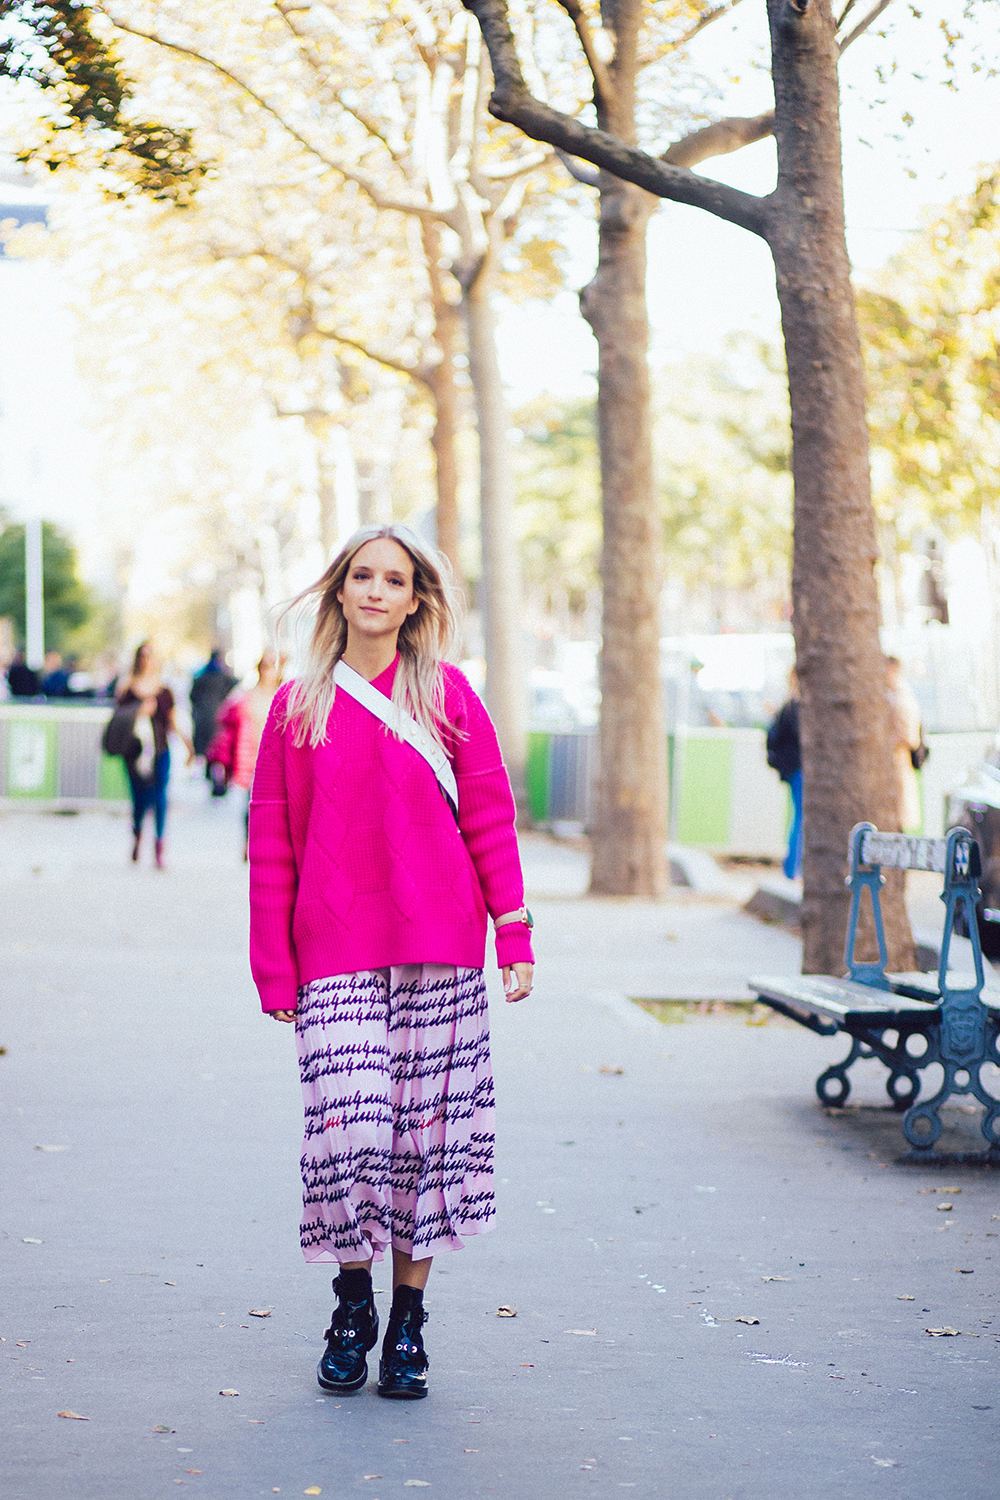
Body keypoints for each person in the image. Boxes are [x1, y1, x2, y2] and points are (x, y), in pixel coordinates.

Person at [249, 522, 534, 1403]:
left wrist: (514, 933)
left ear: (416, 601)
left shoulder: (449, 697)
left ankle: (407, 1325)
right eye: (362, 576)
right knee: (350, 1133)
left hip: (439, 948)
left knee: (421, 1145)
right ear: (339, 591)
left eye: (395, 579)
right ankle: (351, 1304)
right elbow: (272, 845)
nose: (376, 590)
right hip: (332, 953)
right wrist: (273, 969)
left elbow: (487, 815)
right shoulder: (299, 707)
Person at [116, 641, 194, 868]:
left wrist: (188, 746)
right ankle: (137, 834)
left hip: (160, 749)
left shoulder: (164, 690)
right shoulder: (128, 688)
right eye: (144, 655)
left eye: (152, 655)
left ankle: (159, 846)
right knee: (139, 799)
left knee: (160, 797)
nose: (148, 660)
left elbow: (172, 719)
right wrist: (138, 711)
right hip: (135, 751)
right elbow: (118, 719)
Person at [205, 650, 283, 856]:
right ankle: (249, 842)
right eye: (265, 666)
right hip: (253, 756)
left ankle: (269, 844)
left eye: (273, 666)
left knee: (275, 806)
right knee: (253, 802)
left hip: (278, 758)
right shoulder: (247, 695)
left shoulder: (284, 694)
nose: (269, 671)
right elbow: (225, 718)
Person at [766, 669, 802, 880]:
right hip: (798, 769)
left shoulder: (787, 705)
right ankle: (793, 869)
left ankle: (792, 867)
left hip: (792, 770)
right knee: (801, 819)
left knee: (799, 817)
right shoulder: (795, 707)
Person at [886, 655, 922, 833]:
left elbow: (911, 737)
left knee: (898, 817)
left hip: (898, 763)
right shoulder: (894, 694)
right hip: (894, 764)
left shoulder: (902, 696)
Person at [190, 648, 239, 759]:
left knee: (205, 752)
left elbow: (192, 697)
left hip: (203, 719)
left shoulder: (200, 677)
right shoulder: (226, 678)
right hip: (218, 719)